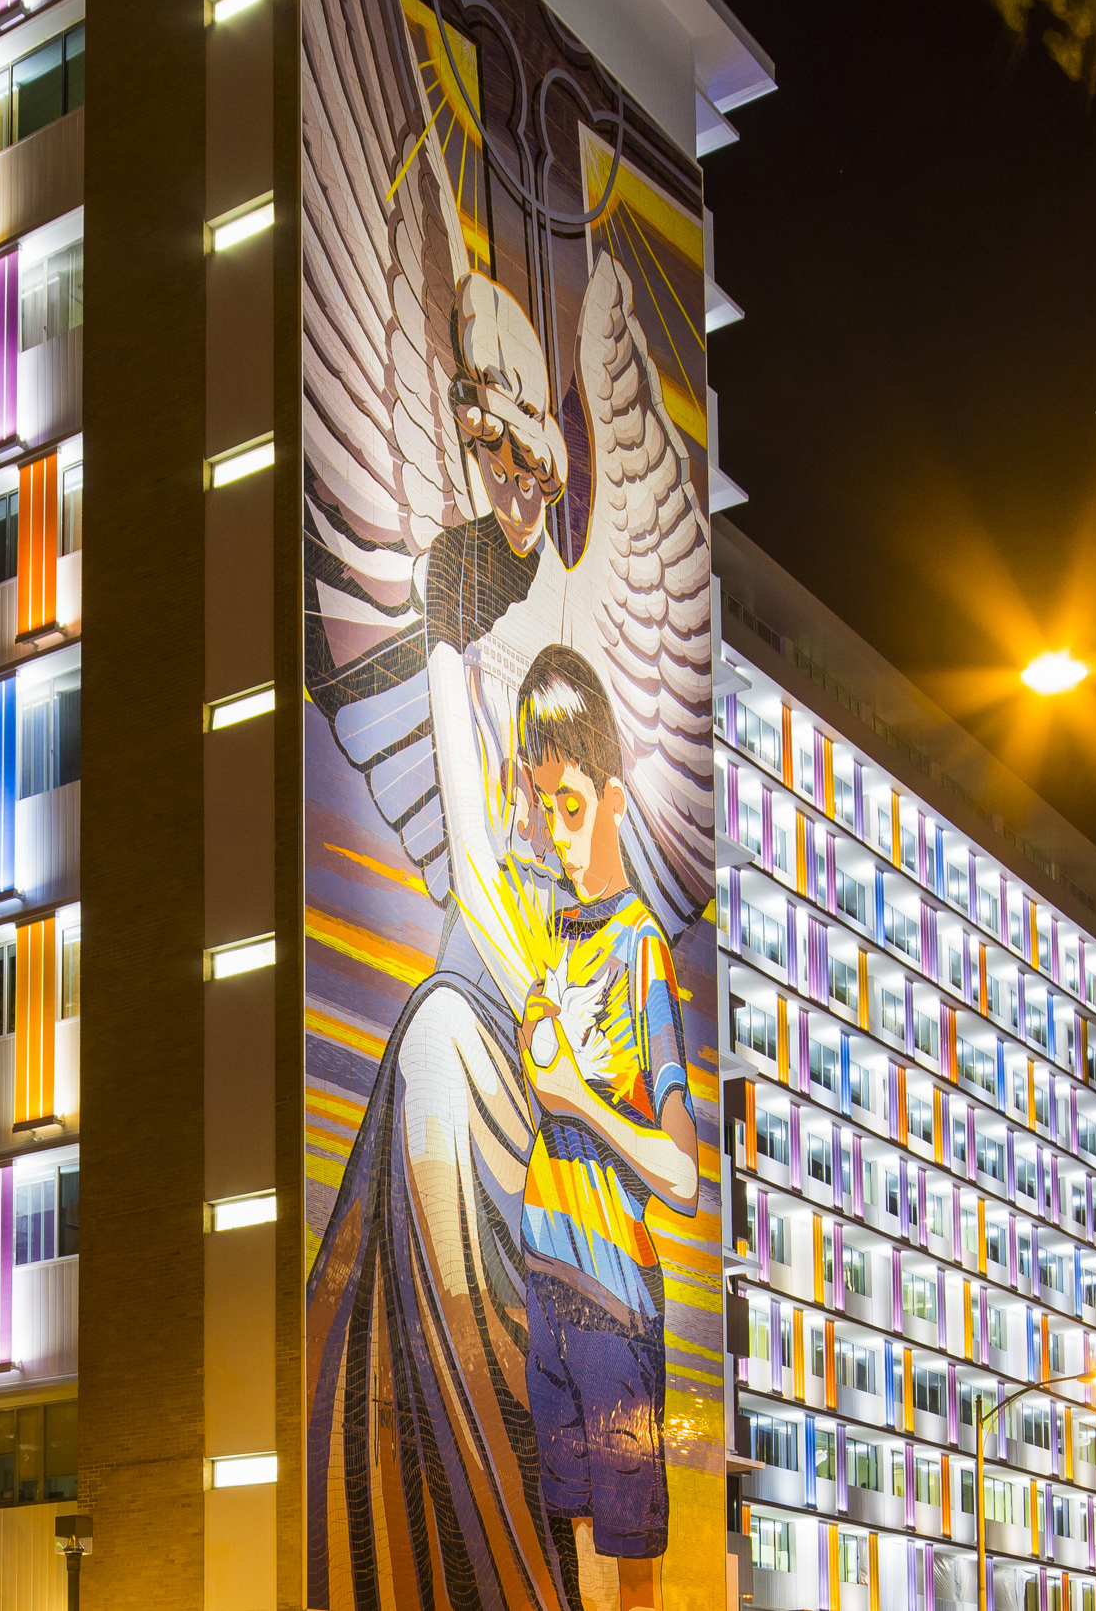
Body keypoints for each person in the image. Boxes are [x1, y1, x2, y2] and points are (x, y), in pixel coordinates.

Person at [508, 647, 700, 1608]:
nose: (556, 830)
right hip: (545, 1280)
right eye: (541, 805)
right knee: (562, 1541)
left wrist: (581, 1099)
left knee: (630, 1559)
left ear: (615, 796)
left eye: (572, 803)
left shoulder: (639, 950)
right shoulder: (551, 948)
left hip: (614, 1294)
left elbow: (684, 1174)